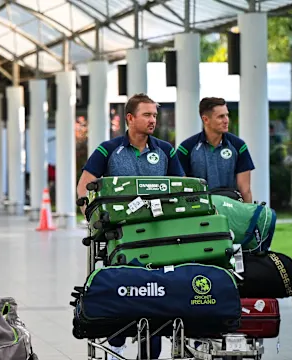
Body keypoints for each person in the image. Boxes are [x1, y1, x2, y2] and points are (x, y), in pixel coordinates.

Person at [76, 93, 183, 360]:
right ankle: (116, 345)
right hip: (119, 240)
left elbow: (182, 189)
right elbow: (84, 186)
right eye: (147, 115)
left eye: (155, 115)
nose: (153, 120)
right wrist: (94, 222)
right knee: (122, 291)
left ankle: (151, 353)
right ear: (130, 118)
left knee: (156, 293)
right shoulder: (108, 150)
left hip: (160, 241)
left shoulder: (165, 151)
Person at [176, 97, 255, 202]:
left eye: (227, 115)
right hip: (200, 210)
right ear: (206, 119)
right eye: (221, 116)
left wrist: (248, 215)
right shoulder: (186, 148)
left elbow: (245, 190)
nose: (226, 120)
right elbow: (180, 187)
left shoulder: (239, 146)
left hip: (232, 208)